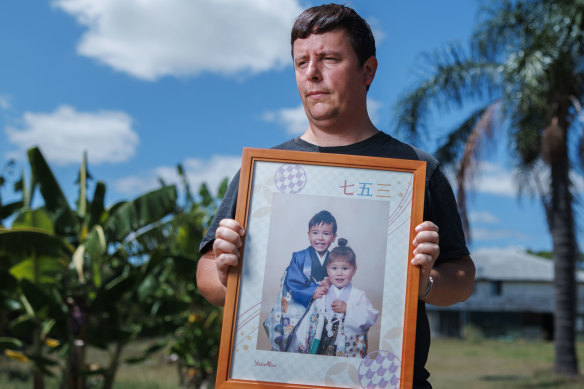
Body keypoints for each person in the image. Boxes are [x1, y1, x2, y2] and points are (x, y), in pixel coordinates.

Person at [196, 4, 475, 388]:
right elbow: (207, 274)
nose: (312, 73)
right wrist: (228, 274)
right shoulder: (263, 173)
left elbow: (462, 276)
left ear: (368, 71)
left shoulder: (415, 171)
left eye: (329, 58)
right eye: (301, 62)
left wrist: (426, 282)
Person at [262, 210, 337, 351]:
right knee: (292, 344)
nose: (320, 238)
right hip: (299, 309)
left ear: (334, 237)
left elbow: (341, 279)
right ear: (308, 235)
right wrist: (314, 290)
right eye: (315, 233)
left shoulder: (335, 259)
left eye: (326, 234)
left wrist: (331, 282)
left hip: (322, 312)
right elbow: (291, 281)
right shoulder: (299, 257)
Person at [314, 238, 379, 358]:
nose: (339, 273)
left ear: (354, 270)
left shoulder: (358, 295)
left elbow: (370, 317)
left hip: (347, 348)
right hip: (322, 345)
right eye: (334, 268)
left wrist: (348, 309)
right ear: (327, 269)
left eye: (345, 268)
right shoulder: (322, 291)